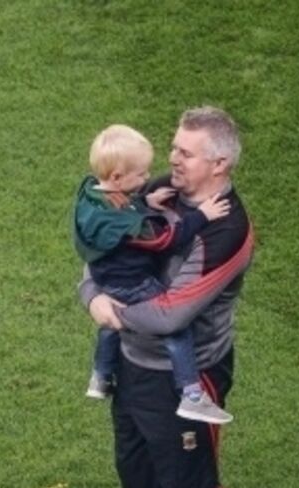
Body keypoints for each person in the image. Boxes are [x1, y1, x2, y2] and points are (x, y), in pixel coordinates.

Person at [79, 106, 255, 488]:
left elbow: (172, 315)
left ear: (219, 163)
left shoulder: (227, 230)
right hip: (133, 367)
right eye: (174, 147)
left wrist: (111, 312)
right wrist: (92, 297)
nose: (172, 158)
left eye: (185, 152)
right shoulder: (161, 192)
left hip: (187, 379)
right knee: (140, 478)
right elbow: (99, 252)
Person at [73, 124, 234, 424]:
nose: (148, 178)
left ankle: (101, 375)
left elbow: (120, 205)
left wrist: (145, 202)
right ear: (117, 177)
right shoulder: (126, 225)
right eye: (141, 175)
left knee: (108, 326)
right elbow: (164, 240)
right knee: (177, 331)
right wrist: (202, 216)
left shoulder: (92, 193)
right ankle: (192, 395)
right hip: (131, 284)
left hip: (104, 278)